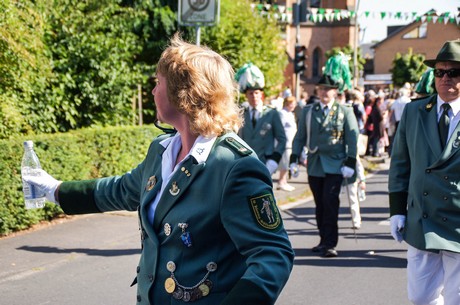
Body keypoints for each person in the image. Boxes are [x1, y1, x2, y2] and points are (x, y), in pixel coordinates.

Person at [24, 34, 294, 305]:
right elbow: (123, 189)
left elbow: (273, 254)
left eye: (158, 83)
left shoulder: (234, 165)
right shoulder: (162, 149)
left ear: (183, 92)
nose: (153, 91)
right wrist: (55, 190)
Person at [389, 39, 460, 305]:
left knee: (456, 298)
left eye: (453, 72)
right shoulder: (415, 111)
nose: (445, 78)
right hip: (422, 218)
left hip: (458, 221)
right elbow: (400, 164)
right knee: (420, 298)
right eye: (439, 72)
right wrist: (397, 210)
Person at [290, 74, 359, 258]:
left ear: (335, 92)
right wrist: (294, 157)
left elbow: (352, 138)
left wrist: (351, 161)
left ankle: (330, 243)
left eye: (328, 89)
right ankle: (322, 240)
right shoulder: (309, 111)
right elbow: (300, 136)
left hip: (336, 164)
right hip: (315, 164)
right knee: (319, 204)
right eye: (321, 89)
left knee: (330, 203)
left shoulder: (345, 111)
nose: (324, 92)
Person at [236, 64, 287, 176]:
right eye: (250, 93)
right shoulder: (241, 113)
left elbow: (282, 139)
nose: (254, 96)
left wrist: (274, 159)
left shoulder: (271, 113)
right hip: (245, 163)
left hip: (266, 162)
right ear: (246, 96)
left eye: (256, 93)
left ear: (261, 94)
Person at [277, 96, 298, 191]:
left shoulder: (290, 114)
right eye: (292, 103)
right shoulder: (282, 113)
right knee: (284, 163)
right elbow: (280, 128)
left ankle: (284, 181)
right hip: (285, 142)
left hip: (291, 142)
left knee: (287, 162)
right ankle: (281, 181)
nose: (294, 105)